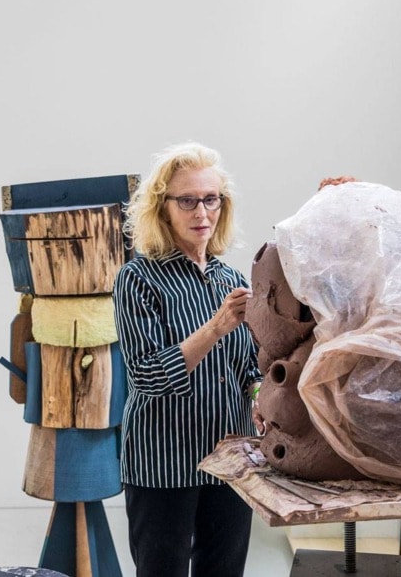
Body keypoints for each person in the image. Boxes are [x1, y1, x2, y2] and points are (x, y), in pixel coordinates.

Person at [113, 141, 264, 577]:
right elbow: (145, 375)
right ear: (162, 208)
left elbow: (249, 369)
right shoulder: (137, 278)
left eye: (211, 199)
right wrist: (216, 327)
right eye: (188, 201)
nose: (202, 213)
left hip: (231, 463)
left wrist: (259, 394)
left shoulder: (232, 279)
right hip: (162, 464)